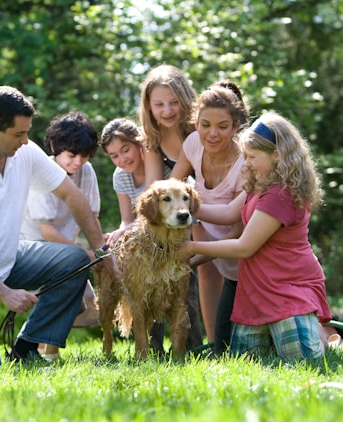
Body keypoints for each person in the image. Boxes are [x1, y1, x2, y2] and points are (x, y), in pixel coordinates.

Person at [0, 86, 115, 365]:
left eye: (27, 132)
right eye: (19, 134)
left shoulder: (24, 152)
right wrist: (3, 293)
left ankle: (27, 347)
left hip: (10, 257)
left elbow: (72, 196)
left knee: (75, 260)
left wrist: (102, 253)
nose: (26, 141)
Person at [177, 111, 332, 360]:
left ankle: (327, 338)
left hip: (287, 291)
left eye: (251, 157)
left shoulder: (281, 194)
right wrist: (190, 256)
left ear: (277, 155)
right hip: (256, 292)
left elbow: (244, 247)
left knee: (302, 359)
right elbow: (235, 223)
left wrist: (192, 247)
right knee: (244, 361)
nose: (245, 163)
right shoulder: (259, 183)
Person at [170, 80, 249, 351]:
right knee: (222, 345)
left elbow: (236, 228)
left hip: (248, 262)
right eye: (205, 125)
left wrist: (190, 257)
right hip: (215, 254)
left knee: (250, 343)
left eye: (222, 127)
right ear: (196, 123)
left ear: (236, 127)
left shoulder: (247, 163)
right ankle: (215, 346)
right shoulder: (193, 144)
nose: (212, 134)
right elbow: (172, 186)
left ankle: (327, 334)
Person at [21, 110, 101, 361]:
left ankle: (43, 349)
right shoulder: (40, 171)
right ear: (54, 146)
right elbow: (46, 231)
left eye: (84, 155)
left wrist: (99, 251)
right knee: (70, 293)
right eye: (72, 154)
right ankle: (47, 354)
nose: (78, 162)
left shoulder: (86, 172)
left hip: (68, 252)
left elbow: (91, 217)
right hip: (33, 249)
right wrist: (85, 255)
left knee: (92, 307)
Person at [138, 64, 203, 352]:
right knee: (160, 265)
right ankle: (154, 346)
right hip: (178, 217)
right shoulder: (152, 141)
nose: (167, 110)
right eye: (159, 104)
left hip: (206, 211)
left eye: (174, 102)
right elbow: (154, 187)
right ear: (148, 107)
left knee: (190, 284)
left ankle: (198, 344)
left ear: (186, 100)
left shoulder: (202, 130)